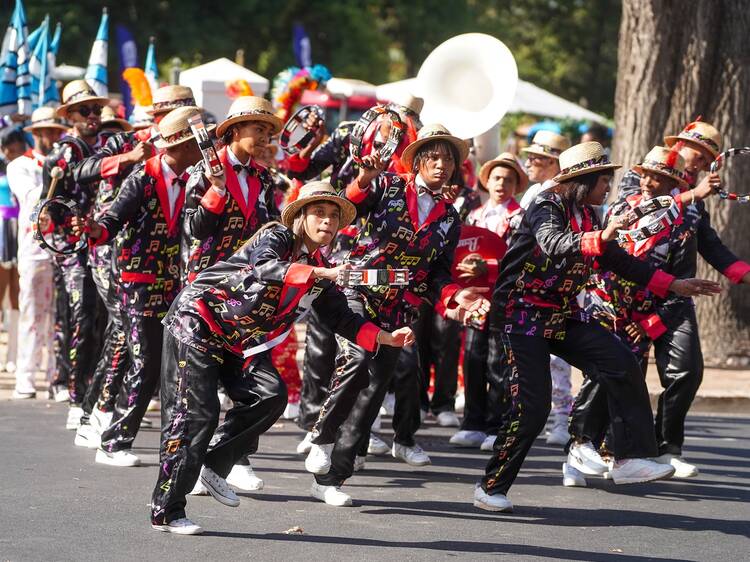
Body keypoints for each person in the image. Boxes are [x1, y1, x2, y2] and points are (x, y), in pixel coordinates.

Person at [149, 180, 414, 534]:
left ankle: (214, 464)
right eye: (319, 213)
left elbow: (343, 319)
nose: (328, 223)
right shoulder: (277, 237)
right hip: (197, 323)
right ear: (301, 217)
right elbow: (265, 268)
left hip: (238, 342)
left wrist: (387, 338)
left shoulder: (321, 266)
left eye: (334, 216)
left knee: (271, 394)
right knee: (196, 416)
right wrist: (320, 273)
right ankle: (167, 511)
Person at [475, 141, 721, 513]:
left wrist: (673, 284)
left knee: (621, 360)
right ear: (583, 181)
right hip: (521, 315)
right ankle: (490, 485)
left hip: (562, 314)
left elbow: (619, 261)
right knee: (532, 408)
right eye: (604, 180)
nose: (609, 187)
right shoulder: (547, 204)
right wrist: (600, 238)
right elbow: (553, 243)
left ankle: (629, 458)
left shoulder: (590, 214)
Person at [306, 124, 490, 506]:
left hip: (398, 308)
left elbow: (438, 274)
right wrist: (362, 179)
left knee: (373, 393)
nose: (442, 165)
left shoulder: (449, 218)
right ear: (419, 160)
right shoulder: (387, 186)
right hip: (355, 290)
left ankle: (332, 480)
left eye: (449, 159)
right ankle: (321, 437)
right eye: (434, 157)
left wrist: (459, 297)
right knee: (356, 360)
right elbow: (345, 211)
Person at [571, 123, 750, 481]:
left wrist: (742, 273)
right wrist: (689, 195)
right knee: (619, 371)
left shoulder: (695, 203)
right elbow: (636, 215)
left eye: (707, 157)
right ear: (677, 145)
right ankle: (590, 445)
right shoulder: (642, 179)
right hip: (624, 294)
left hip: (674, 296)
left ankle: (667, 449)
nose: (698, 160)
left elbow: (710, 244)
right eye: (694, 151)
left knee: (687, 371)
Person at [76, 106, 202, 467]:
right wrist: (94, 230)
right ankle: (112, 442)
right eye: (196, 144)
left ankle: (114, 425)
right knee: (145, 361)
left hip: (172, 283)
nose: (201, 151)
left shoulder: (193, 180)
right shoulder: (142, 177)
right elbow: (111, 222)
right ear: (177, 147)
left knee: (166, 365)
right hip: (136, 282)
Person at [181, 95, 282, 491]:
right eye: (259, 129)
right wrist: (218, 190)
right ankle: (189, 469)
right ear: (235, 131)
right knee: (201, 392)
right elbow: (193, 229)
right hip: (207, 292)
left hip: (250, 292)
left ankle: (235, 456)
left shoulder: (264, 178)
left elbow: (270, 227)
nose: (264, 137)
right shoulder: (203, 170)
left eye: (268, 131)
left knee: (256, 379)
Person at [43, 80, 120, 429]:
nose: (92, 116)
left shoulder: (108, 146)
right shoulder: (62, 153)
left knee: (107, 322)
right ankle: (76, 396)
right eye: (84, 111)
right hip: (75, 251)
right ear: (71, 116)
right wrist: (66, 224)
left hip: (105, 245)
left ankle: (98, 394)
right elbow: (51, 206)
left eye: (95, 110)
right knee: (82, 320)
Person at [450, 152, 527, 449]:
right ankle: (472, 422)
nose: (501, 184)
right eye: (497, 177)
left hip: (504, 297)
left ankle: (496, 425)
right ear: (488, 181)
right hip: (474, 297)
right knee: (471, 357)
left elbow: (522, 259)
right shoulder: (473, 216)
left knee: (498, 360)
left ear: (516, 185)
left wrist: (490, 267)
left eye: (508, 179)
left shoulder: (520, 217)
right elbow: (459, 253)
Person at [518, 130, 576, 446]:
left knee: (560, 359)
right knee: (530, 358)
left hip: (559, 288)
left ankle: (563, 419)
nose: (529, 162)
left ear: (554, 163)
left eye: (537, 157)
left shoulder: (568, 195)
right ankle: (531, 418)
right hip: (529, 287)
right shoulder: (531, 194)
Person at [7, 109, 67, 399]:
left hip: (61, 251)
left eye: (56, 130)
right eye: (47, 131)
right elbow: (31, 197)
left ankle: (56, 377)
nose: (53, 136)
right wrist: (55, 174)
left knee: (59, 318)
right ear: (35, 133)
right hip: (33, 251)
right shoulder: (20, 165)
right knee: (32, 314)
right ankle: (26, 376)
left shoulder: (65, 162)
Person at [0, 128, 25, 375]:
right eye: (6, 147)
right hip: (1, 230)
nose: (10, 152)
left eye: (15, 147)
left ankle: (13, 356)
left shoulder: (27, 167)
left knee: (18, 295)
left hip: (21, 231)